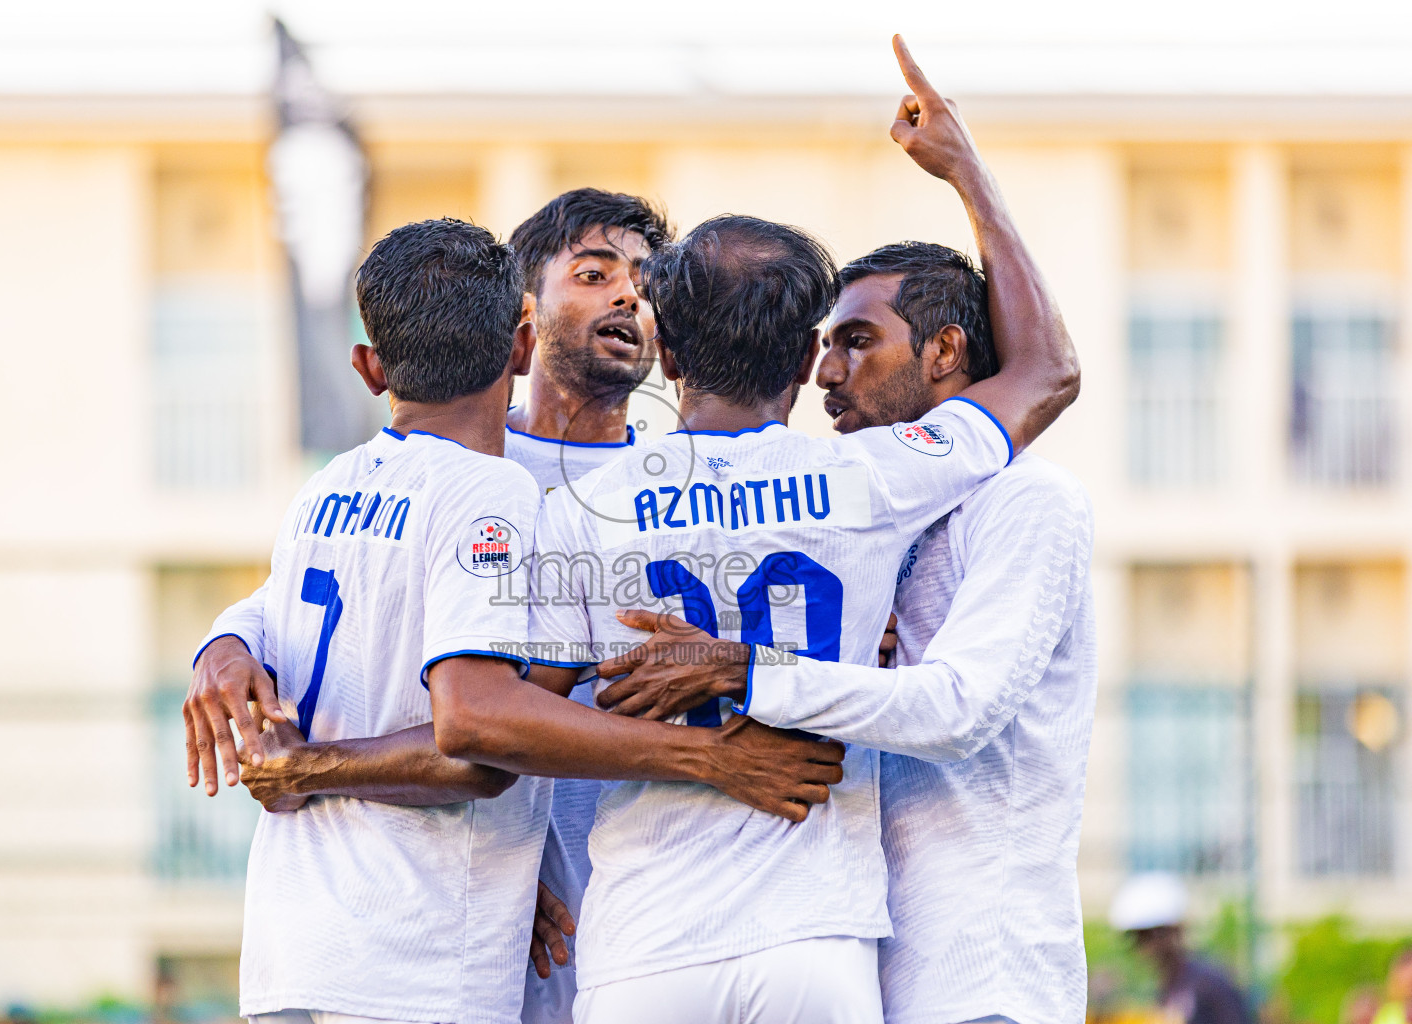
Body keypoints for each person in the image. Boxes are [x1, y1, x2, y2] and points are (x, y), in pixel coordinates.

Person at [520, 37, 1079, 1022]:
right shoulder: (869, 476)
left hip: (643, 942)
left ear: (668, 347)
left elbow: (519, 722)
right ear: (803, 354)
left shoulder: (579, 507)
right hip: (815, 940)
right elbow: (1045, 375)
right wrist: (966, 171)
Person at [185, 217, 843, 1024]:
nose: (629, 292)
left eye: (645, 278)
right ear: (524, 331)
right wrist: (223, 648)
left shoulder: (333, 485)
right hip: (430, 945)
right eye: (596, 272)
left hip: (341, 941)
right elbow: (478, 731)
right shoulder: (493, 486)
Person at [1110, 873, 1254, 1024]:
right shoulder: (1167, 987)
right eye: (1140, 937)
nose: (1148, 946)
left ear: (1176, 930)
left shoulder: (1209, 984)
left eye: (1155, 934)